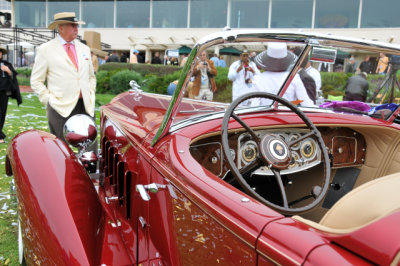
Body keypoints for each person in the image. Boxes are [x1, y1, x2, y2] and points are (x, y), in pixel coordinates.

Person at [30, 12, 96, 147]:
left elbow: (91, 76)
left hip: (85, 105)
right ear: (61, 28)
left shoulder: (84, 48)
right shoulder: (45, 49)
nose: (76, 29)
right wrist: (49, 99)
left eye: (77, 25)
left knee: (90, 147)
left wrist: (91, 93)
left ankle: (90, 168)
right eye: (73, 26)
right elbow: (36, 80)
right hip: (60, 107)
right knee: (61, 148)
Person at [253, 42, 314, 107]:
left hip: (264, 116)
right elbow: (306, 103)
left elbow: (254, 105)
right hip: (288, 115)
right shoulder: (294, 78)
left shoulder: (258, 79)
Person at [0, 46, 22, 143]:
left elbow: (13, 76)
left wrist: (8, 71)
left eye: (0, 52)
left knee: (2, 114)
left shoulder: (7, 64)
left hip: (4, 93)